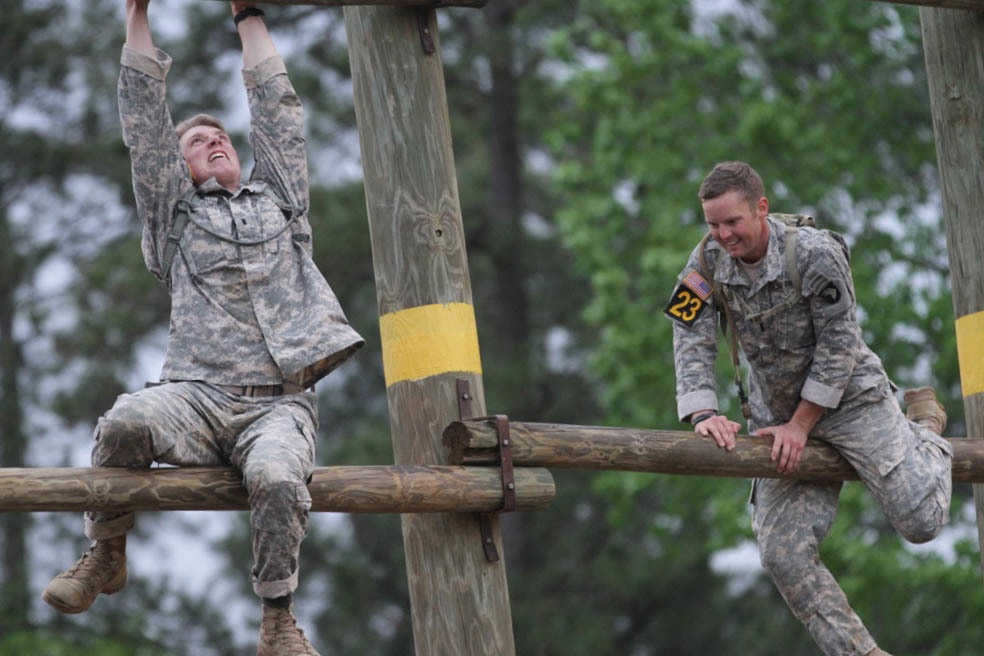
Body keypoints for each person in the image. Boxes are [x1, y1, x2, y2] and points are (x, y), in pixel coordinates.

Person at [42, 2, 364, 654]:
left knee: (277, 478)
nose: (216, 141)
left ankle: (277, 619)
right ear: (179, 168)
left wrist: (247, 14)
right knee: (125, 423)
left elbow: (278, 111)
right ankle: (105, 552)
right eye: (197, 141)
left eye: (222, 137)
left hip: (278, 406)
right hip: (196, 396)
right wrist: (137, 16)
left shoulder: (280, 205)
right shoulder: (174, 217)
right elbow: (143, 125)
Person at [666, 161, 952, 656]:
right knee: (783, 554)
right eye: (713, 223)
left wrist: (803, 425)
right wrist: (702, 413)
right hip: (776, 418)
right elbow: (688, 332)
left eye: (732, 221)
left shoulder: (815, 254)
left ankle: (925, 428)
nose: (722, 234)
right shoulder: (705, 263)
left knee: (921, 522)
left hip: (852, 403)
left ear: (761, 207)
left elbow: (841, 343)